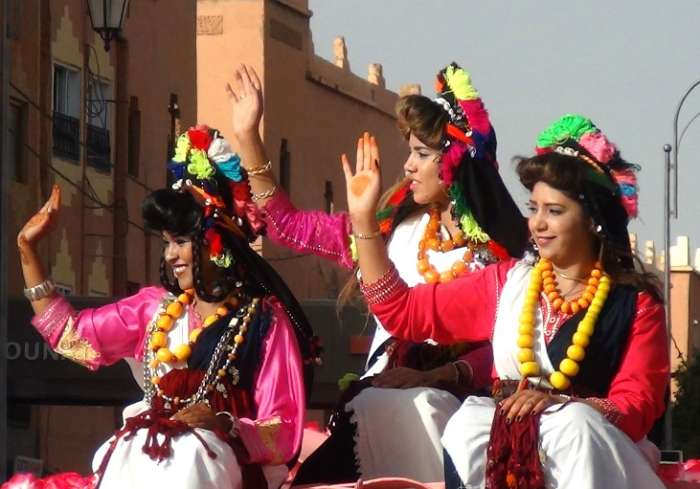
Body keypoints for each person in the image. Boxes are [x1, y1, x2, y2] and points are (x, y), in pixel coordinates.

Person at [226, 63, 529, 482]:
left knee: (425, 408)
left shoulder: (503, 259)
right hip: (379, 399)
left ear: (457, 163)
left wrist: (438, 374)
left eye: (422, 153)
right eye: (409, 151)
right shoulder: (389, 230)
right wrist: (248, 141)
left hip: (458, 412)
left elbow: (508, 349)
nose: (407, 165)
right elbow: (287, 227)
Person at [346, 114, 669, 488]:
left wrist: (558, 406)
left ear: (592, 220)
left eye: (555, 211)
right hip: (505, 453)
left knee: (574, 427)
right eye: (534, 209)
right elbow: (403, 312)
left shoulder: (636, 305)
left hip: (592, 456)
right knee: (468, 424)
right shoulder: (508, 283)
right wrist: (364, 221)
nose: (538, 224)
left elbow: (636, 407)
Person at [12, 125, 317, 489]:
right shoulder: (154, 310)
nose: (171, 255)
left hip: (224, 470)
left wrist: (224, 423)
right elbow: (71, 338)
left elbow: (282, 432)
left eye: (182, 241)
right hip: (149, 459)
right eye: (166, 242)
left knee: (188, 459)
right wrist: (27, 253)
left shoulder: (263, 321)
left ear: (215, 241)